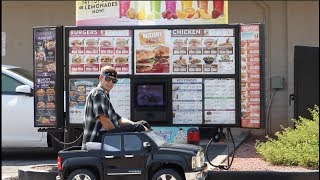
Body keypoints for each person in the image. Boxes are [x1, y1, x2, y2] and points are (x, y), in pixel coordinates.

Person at [81, 65, 150, 150]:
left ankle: (149, 147)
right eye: (108, 79)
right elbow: (104, 119)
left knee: (143, 124)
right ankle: (152, 150)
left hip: (104, 137)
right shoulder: (98, 93)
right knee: (139, 127)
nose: (110, 83)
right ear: (100, 78)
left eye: (113, 80)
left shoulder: (104, 96)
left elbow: (119, 120)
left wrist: (134, 124)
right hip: (96, 139)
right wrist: (117, 139)